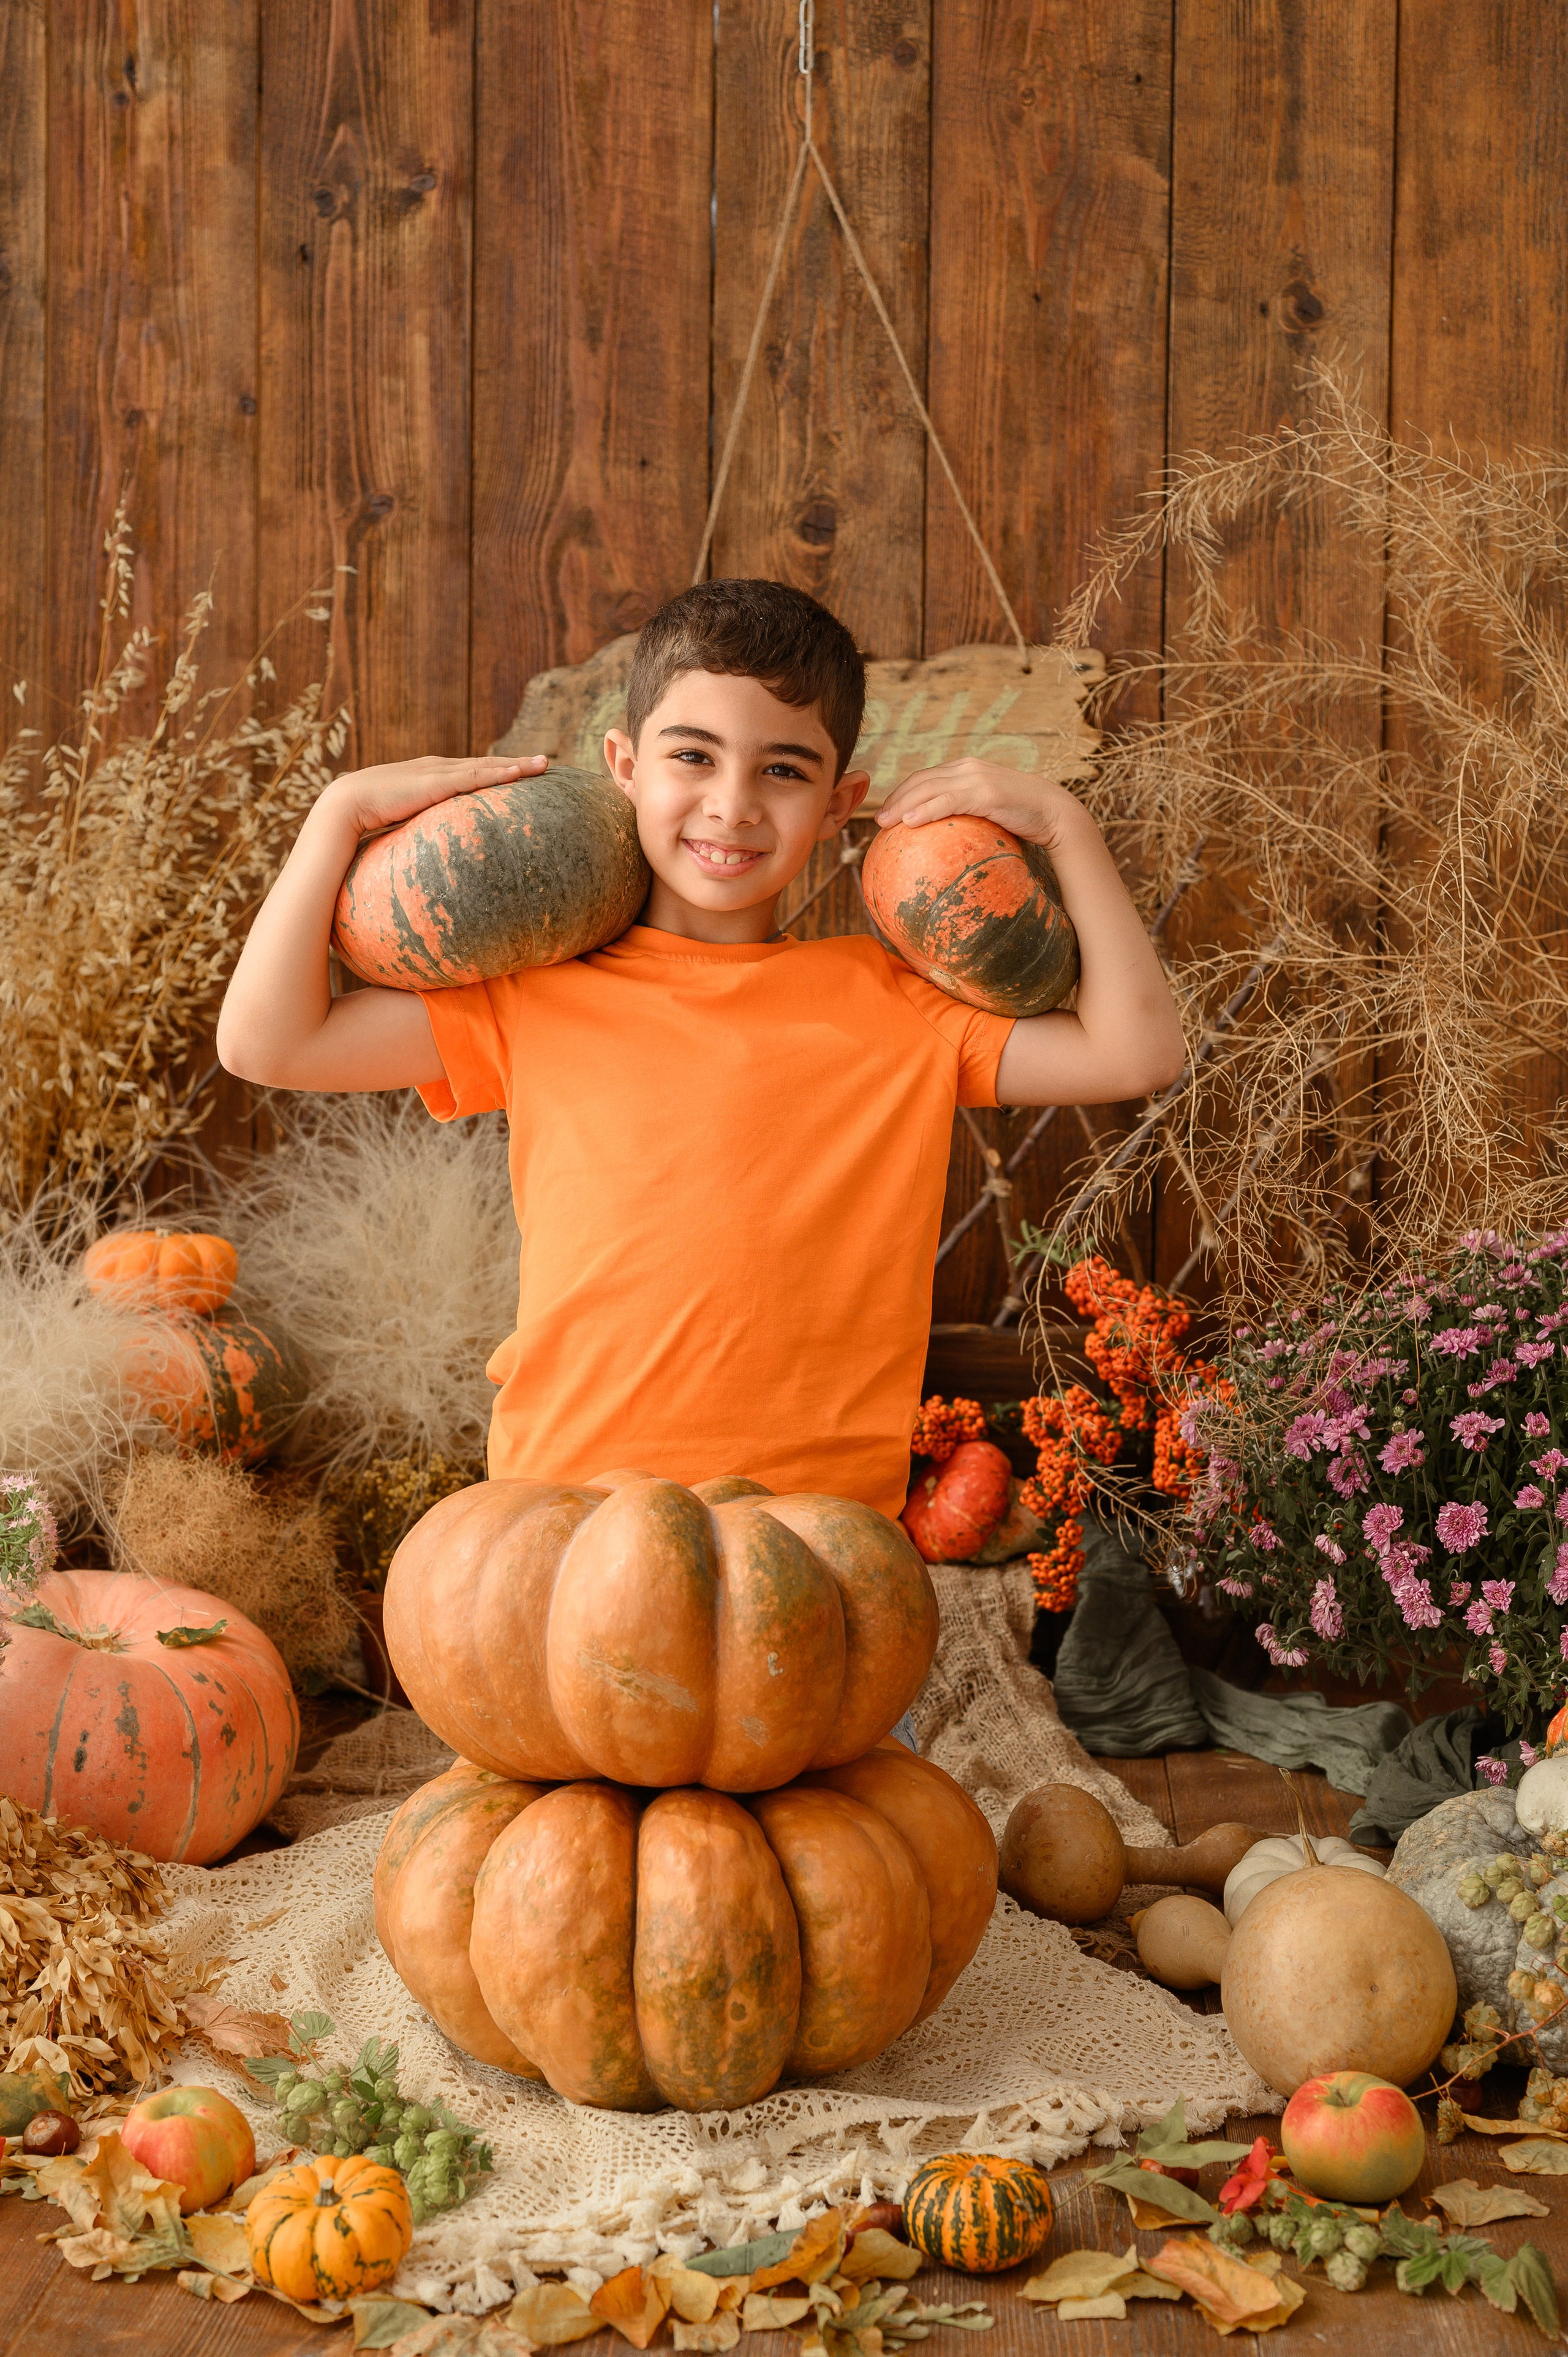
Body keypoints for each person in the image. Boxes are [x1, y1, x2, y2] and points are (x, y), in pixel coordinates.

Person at [217, 578, 1183, 1519]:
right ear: (626, 766)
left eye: (784, 770)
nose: (733, 805)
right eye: (693, 756)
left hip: (818, 1531)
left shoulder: (897, 1008)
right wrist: (337, 815)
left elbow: (1134, 1055)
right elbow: (270, 1043)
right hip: (567, 1512)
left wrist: (1065, 826)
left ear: (839, 802)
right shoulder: (538, 994)